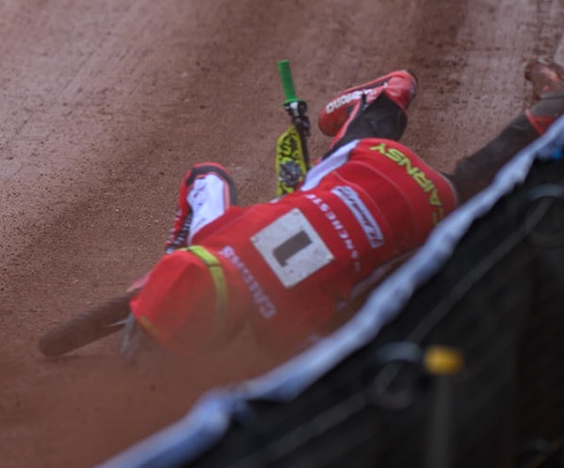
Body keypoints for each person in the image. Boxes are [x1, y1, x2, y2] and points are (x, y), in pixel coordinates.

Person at [127, 63, 564, 357]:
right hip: (369, 159)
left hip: (429, 201)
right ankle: (389, 97)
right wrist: (171, 256)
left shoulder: (281, 330)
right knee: (327, 177)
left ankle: (546, 117)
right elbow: (205, 174)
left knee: (470, 185)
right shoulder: (213, 233)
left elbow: (333, 356)